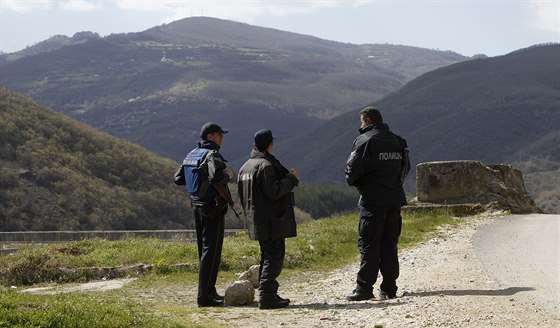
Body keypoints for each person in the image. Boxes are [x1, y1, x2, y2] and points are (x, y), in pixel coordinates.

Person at [344, 106, 410, 301]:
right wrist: (394, 185)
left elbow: (351, 172)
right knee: (390, 243)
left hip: (372, 200)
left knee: (369, 243)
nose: (361, 126)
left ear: (369, 120)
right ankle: (389, 288)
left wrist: (363, 185)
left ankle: (364, 288)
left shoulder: (365, 141)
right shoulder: (398, 141)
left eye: (362, 122)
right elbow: (405, 168)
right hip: (394, 198)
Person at [237, 129, 300, 310]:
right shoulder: (265, 166)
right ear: (270, 144)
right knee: (274, 257)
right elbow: (274, 191)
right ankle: (267, 295)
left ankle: (269, 293)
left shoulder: (245, 167)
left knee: (267, 256)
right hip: (272, 220)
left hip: (256, 219)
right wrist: (291, 179)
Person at [174, 122, 234, 307]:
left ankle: (209, 291)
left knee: (204, 251)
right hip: (212, 208)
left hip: (196, 207)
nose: (222, 138)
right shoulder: (212, 154)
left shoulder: (192, 154)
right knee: (212, 252)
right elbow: (217, 177)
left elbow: (178, 179)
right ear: (210, 136)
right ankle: (205, 297)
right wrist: (228, 174)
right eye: (219, 135)